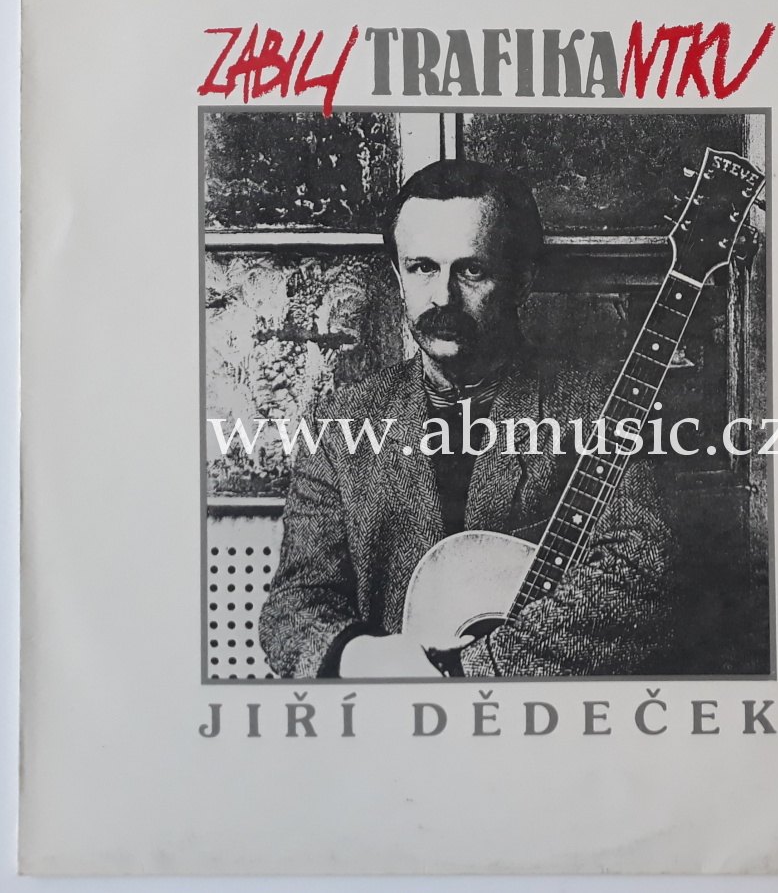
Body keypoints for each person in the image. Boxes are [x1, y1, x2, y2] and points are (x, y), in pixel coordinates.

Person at [258, 160, 675, 678]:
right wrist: (367, 657)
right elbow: (295, 606)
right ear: (399, 277)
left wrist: (463, 671)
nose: (443, 297)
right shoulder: (339, 424)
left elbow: (637, 582)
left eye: (471, 271)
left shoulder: (599, 410)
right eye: (422, 268)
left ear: (521, 282)